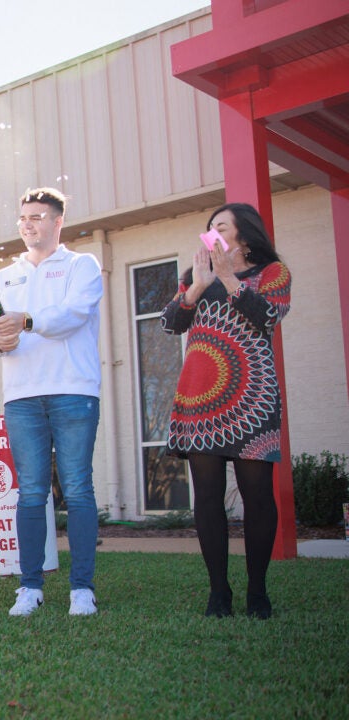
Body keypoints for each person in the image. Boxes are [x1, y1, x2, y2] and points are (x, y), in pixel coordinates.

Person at [0, 187, 103, 617]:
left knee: (78, 489)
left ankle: (81, 589)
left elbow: (74, 314)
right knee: (30, 491)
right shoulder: (3, 278)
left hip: (73, 391)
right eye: (23, 218)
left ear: (57, 221)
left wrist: (25, 320)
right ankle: (30, 587)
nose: (29, 225)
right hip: (22, 397)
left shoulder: (82, 265)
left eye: (38, 217)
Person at [160, 203, 291, 620]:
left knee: (257, 496)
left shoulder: (272, 273)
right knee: (208, 498)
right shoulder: (194, 274)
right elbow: (169, 323)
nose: (212, 232)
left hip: (251, 398)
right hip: (201, 398)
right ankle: (219, 593)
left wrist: (230, 278)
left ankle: (258, 592)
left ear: (244, 235)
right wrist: (198, 285)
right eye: (209, 227)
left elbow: (267, 317)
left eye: (221, 226)